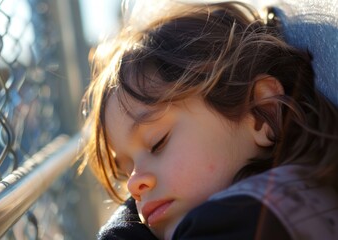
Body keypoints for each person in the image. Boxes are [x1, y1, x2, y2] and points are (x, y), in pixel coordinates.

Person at [79, 1, 338, 239]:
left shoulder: (232, 222)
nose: (134, 185)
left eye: (158, 143)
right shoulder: (293, 195)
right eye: (125, 172)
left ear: (262, 111)